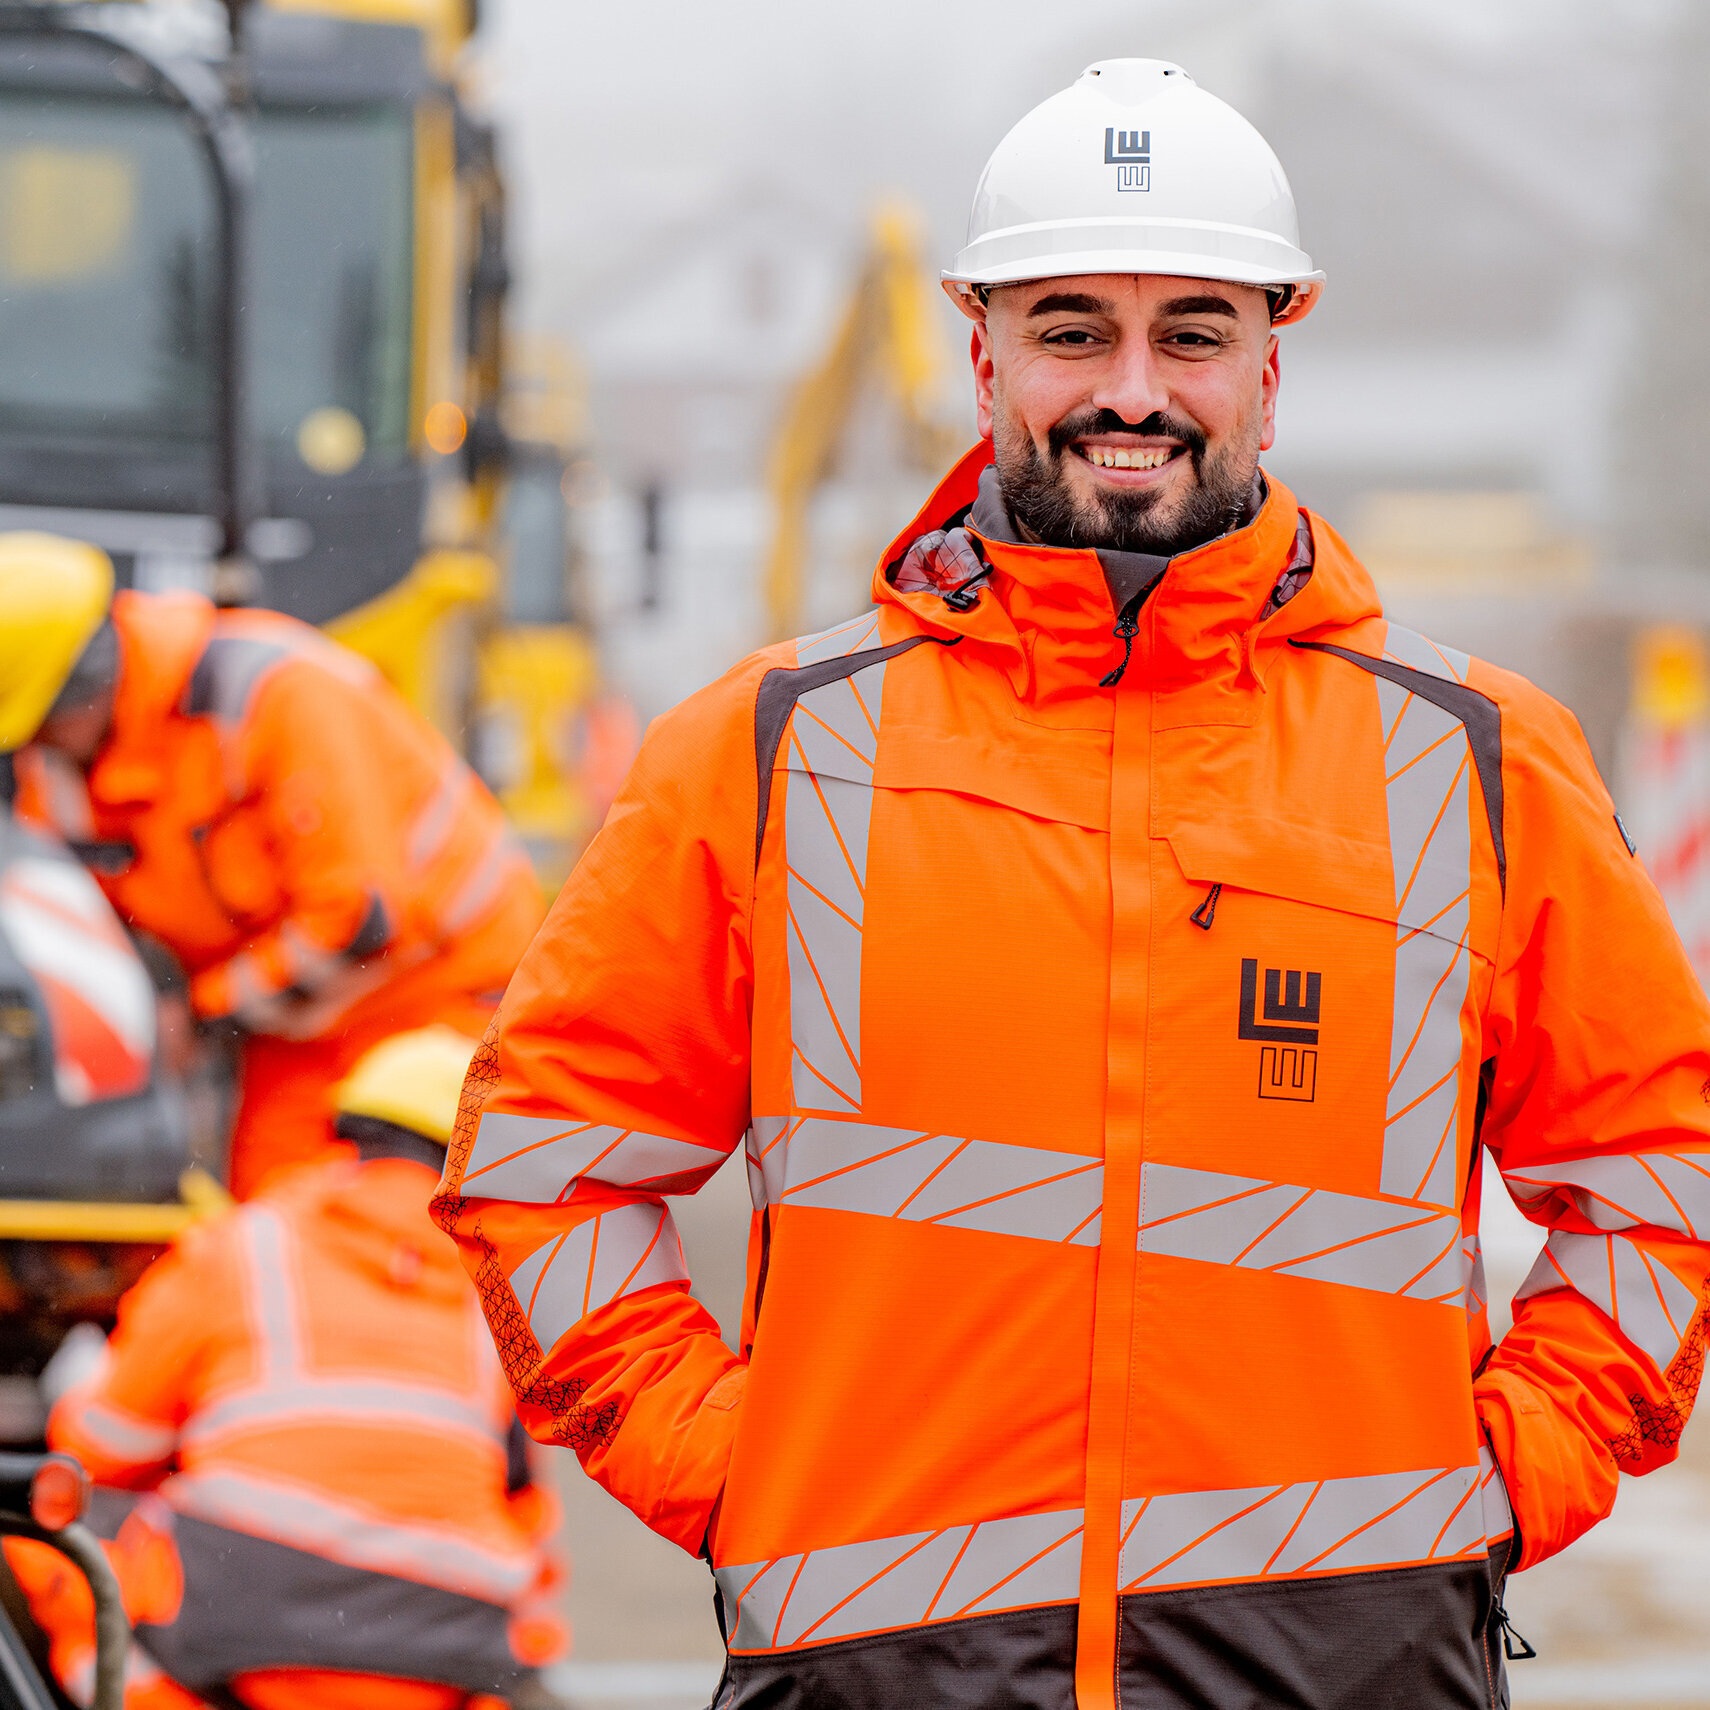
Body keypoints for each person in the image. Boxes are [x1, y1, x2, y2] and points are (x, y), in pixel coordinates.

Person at [432, 59, 1710, 1710]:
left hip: (1348, 1668)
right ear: (982, 352)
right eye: (1071, 330)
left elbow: (1659, 1180)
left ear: (1272, 358)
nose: (1134, 388)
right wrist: (741, 1472)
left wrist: (1501, 1481)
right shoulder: (762, 758)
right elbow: (544, 1166)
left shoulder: (1474, 762)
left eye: (1190, 331)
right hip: (876, 1671)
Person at [5, 1024, 568, 1709]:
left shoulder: (242, 1246)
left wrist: (78, 1388)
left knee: (49, 1538)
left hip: (245, 1630)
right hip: (448, 1654)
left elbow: (98, 1451)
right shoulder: (504, 1298)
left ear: (347, 1131)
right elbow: (527, 1511)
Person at [0, 533, 541, 1198]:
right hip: (300, 1020)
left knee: (397, 1224)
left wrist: (197, 1016)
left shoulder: (276, 697)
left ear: (82, 689)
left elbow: (357, 921)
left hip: (446, 1001)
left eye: (42, 732)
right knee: (276, 1219)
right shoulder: (63, 761)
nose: (38, 756)